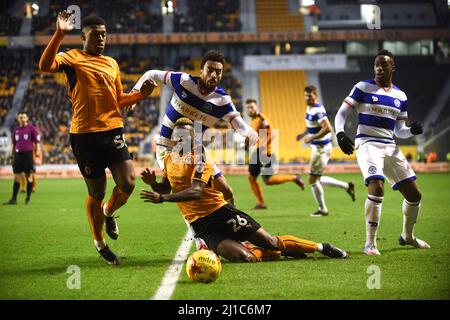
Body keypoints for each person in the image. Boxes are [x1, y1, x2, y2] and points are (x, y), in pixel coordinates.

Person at [139, 118, 348, 262]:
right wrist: (153, 184)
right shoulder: (168, 159)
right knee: (245, 258)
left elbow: (196, 191)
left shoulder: (200, 159)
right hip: (201, 225)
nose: (183, 140)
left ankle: (322, 247)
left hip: (220, 213)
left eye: (188, 136)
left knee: (271, 241)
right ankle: (280, 252)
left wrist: (163, 197)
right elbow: (166, 186)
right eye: (179, 137)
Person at [38, 11, 156, 265]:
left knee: (128, 182)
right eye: (96, 35)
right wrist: (59, 33)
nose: (101, 39)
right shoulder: (72, 57)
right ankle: (100, 243)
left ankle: (109, 212)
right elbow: (44, 66)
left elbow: (118, 100)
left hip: (112, 130)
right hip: (84, 135)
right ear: (83, 36)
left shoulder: (111, 63)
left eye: (104, 34)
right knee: (97, 190)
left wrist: (140, 95)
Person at [132, 50, 258, 249]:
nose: (214, 75)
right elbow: (152, 74)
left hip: (195, 148)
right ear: (201, 70)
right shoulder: (183, 81)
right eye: (210, 70)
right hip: (167, 147)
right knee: (186, 192)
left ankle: (234, 232)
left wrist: (251, 135)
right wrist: (135, 93)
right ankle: (201, 240)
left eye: (218, 71)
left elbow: (241, 125)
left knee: (226, 190)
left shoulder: (222, 100)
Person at [334, 49, 430, 255]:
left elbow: (399, 131)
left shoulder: (400, 96)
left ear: (392, 67)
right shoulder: (362, 87)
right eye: (376, 65)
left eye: (383, 65)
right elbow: (341, 114)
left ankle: (407, 237)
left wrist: (411, 130)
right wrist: (340, 134)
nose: (379, 68)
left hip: (390, 146)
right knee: (376, 187)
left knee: (415, 195)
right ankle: (370, 243)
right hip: (367, 144)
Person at [296, 86, 355, 217]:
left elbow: (328, 128)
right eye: (306, 95)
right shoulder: (310, 108)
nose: (307, 98)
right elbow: (312, 125)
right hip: (317, 148)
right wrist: (303, 134)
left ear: (315, 96)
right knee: (315, 178)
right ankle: (347, 186)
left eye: (310, 96)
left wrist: (312, 137)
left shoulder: (317, 110)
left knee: (312, 179)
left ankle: (323, 209)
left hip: (321, 149)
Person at [245, 99, 305, 209]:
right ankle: (261, 203)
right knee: (251, 178)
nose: (250, 109)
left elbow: (272, 134)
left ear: (256, 107)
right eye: (248, 108)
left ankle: (294, 177)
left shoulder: (261, 118)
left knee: (268, 181)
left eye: (252, 107)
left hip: (265, 153)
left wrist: (263, 145)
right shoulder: (252, 120)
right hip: (257, 153)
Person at [4, 112, 41, 205]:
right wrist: (12, 156)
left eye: (24, 117)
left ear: (27, 118)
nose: (22, 118)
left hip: (28, 155)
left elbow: (37, 143)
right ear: (18, 118)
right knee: (16, 177)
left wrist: (37, 156)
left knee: (29, 176)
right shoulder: (16, 130)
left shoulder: (32, 129)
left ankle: (28, 198)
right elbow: (14, 144)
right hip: (18, 155)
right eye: (20, 117)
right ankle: (14, 199)